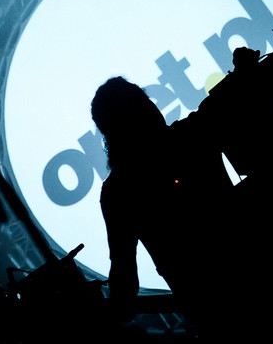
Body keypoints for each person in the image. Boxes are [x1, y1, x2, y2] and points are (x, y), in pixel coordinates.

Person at [91, 76, 232, 330]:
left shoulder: (117, 192)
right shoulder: (193, 133)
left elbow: (124, 282)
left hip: (211, 310)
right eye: (145, 103)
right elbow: (226, 103)